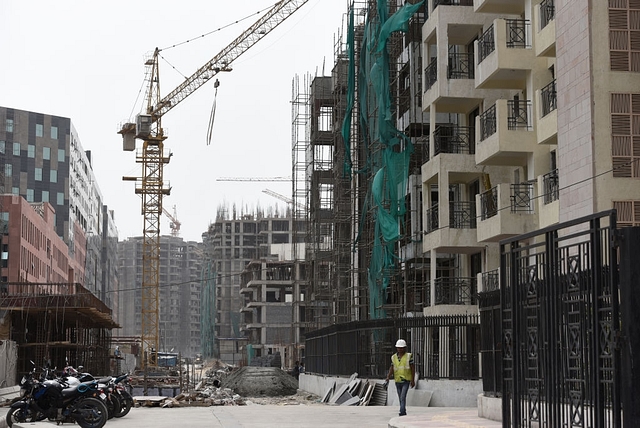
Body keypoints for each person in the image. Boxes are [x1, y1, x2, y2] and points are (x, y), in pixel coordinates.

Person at [385, 339, 415, 417]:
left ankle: (402, 412)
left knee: (402, 396)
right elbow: (392, 367)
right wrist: (388, 377)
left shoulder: (408, 356)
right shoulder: (394, 357)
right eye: (399, 348)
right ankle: (403, 410)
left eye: (402, 348)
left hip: (406, 380)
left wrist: (412, 379)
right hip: (397, 380)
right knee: (400, 397)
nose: (400, 349)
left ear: (405, 348)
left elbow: (412, 368)